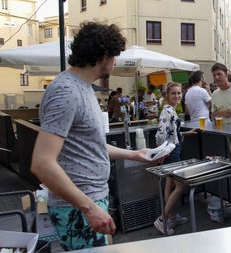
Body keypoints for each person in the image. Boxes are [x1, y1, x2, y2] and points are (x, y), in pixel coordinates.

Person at [30, 22, 165, 251]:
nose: (116, 61)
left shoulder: (84, 87)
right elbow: (42, 164)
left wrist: (135, 154)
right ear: (103, 55)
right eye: (115, 56)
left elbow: (90, 145)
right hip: (78, 207)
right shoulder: (66, 91)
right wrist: (89, 208)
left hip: (92, 199)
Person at [153, 82, 199, 235]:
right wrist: (163, 153)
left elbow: (173, 133)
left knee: (169, 185)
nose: (177, 96)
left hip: (172, 150)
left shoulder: (170, 109)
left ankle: (171, 216)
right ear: (167, 95)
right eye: (173, 93)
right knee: (180, 187)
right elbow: (161, 134)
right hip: (171, 152)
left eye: (179, 93)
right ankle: (162, 219)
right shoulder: (167, 110)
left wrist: (187, 133)